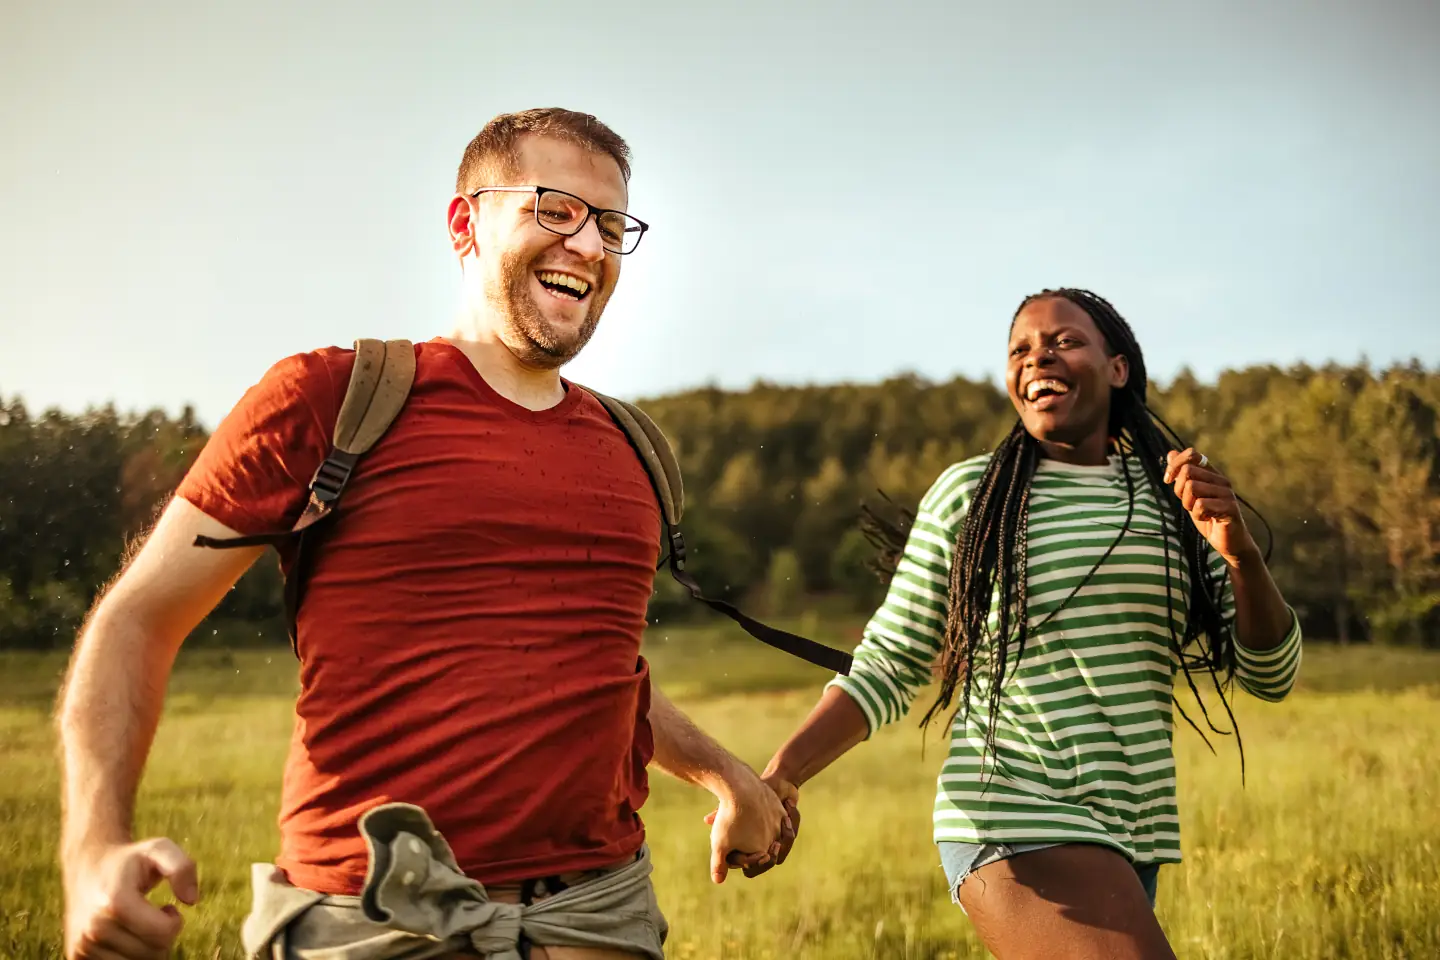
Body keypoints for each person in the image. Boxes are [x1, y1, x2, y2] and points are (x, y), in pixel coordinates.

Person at [56, 108, 791, 960]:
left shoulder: (633, 451)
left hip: (600, 917)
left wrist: (725, 773)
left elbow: (601, 675)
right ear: (464, 224)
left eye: (611, 225)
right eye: (554, 209)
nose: (588, 245)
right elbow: (137, 619)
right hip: (371, 922)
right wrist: (90, 851)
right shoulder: (331, 399)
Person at [750, 288, 1304, 960]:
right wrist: (780, 775)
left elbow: (1271, 675)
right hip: (1013, 812)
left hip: (1133, 832)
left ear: (1119, 366)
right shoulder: (974, 495)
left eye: (1065, 340)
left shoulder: (1175, 502)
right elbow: (891, 662)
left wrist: (1240, 553)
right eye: (1020, 348)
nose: (1038, 355)